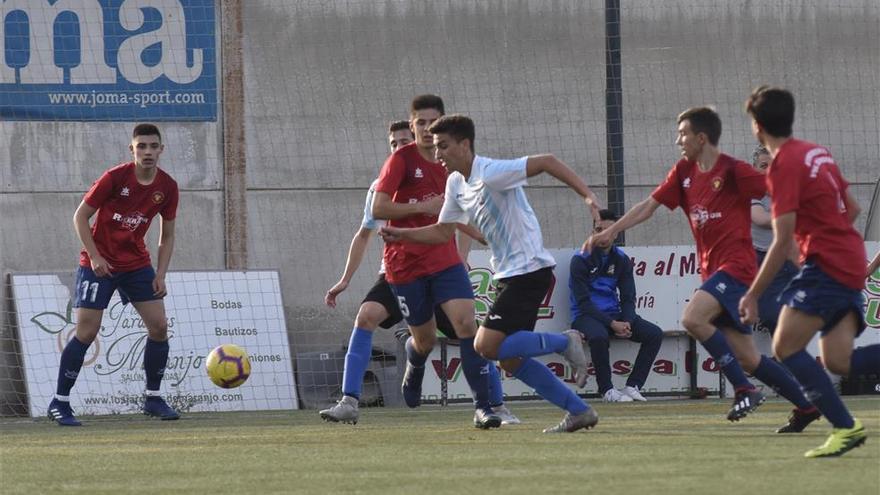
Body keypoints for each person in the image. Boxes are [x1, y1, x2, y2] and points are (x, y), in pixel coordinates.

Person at [588, 107, 817, 427]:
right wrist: (613, 229)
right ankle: (806, 407)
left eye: (682, 134)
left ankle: (743, 389)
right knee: (749, 358)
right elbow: (648, 207)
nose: (678, 140)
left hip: (737, 267)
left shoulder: (735, 171)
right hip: (717, 273)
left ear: (701, 137)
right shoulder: (683, 173)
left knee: (693, 318)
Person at [380, 114, 602, 433]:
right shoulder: (456, 182)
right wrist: (403, 235)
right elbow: (443, 232)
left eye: (443, 146)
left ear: (465, 144)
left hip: (529, 269)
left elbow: (547, 161)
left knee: (483, 346)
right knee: (508, 359)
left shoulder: (492, 172)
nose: (437, 153)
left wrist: (588, 196)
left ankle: (563, 341)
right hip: (507, 275)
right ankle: (578, 411)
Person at [320, 120, 519, 425]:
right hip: (396, 273)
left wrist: (462, 256)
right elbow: (364, 233)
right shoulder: (380, 188)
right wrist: (345, 280)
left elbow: (461, 219)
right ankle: (349, 401)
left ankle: (495, 405)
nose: (400, 147)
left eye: (404, 141)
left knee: (470, 330)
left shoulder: (443, 175)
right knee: (367, 316)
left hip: (438, 270)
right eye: (394, 143)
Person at [740, 86, 879, 457]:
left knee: (785, 346)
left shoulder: (783, 166)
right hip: (848, 258)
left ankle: (846, 428)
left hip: (828, 265)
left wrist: (753, 293)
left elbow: (782, 240)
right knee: (838, 361)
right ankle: (846, 429)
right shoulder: (817, 152)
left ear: (757, 127)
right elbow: (851, 209)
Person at [371, 96, 503, 429]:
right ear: (411, 124)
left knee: (466, 328)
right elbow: (379, 210)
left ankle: (483, 407)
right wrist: (423, 207)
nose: (427, 130)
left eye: (433, 123)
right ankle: (415, 363)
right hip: (405, 264)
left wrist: (481, 229)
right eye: (420, 123)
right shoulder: (400, 161)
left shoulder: (452, 164)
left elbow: (455, 209)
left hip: (444, 261)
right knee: (426, 339)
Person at [47, 123, 180, 426]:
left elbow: (167, 235)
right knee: (86, 332)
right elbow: (80, 216)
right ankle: (60, 402)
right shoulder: (114, 178)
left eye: (153, 146)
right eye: (141, 146)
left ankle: (153, 398)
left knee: (159, 327)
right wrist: (94, 256)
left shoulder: (168, 187)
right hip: (99, 265)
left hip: (135, 265)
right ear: (132, 149)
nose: (147, 152)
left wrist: (160, 273)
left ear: (161, 150)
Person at [570, 209, 664, 403]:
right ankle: (606, 390)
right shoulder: (580, 259)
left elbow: (628, 296)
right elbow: (583, 303)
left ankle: (633, 386)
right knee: (598, 336)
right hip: (586, 317)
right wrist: (613, 324)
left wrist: (627, 321)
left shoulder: (621, 259)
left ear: (616, 232)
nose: (601, 234)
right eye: (597, 229)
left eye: (607, 230)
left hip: (615, 315)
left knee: (654, 333)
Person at [749, 145, 802, 335]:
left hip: (788, 260)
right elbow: (761, 219)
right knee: (771, 315)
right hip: (759, 260)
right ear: (754, 169)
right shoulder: (751, 193)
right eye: (764, 166)